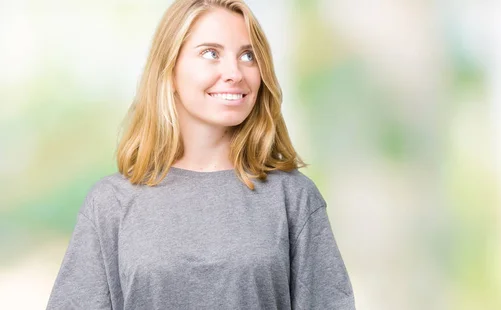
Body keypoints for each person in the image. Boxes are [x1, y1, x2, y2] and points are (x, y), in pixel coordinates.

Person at [46, 0, 355, 309]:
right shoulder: (111, 203)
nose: (234, 72)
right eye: (211, 53)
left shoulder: (294, 198)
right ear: (170, 68)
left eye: (248, 55)